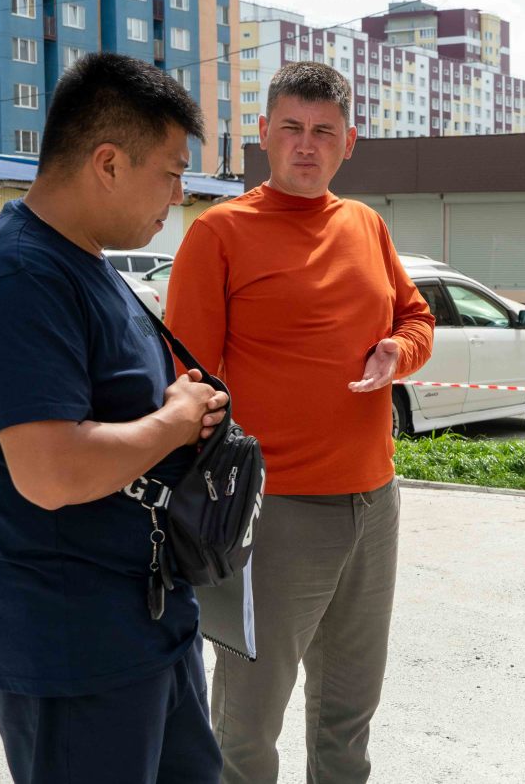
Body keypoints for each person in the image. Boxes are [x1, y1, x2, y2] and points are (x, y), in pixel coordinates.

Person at [0, 53, 228, 784]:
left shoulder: (89, 263)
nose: (180, 193)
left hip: (147, 623)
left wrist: (180, 414)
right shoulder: (17, 276)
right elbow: (50, 470)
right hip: (72, 647)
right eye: (170, 171)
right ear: (108, 162)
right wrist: (175, 418)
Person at [166, 61, 435, 783]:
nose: (306, 145)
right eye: (291, 128)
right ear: (263, 135)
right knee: (247, 730)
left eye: (323, 131)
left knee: (348, 719)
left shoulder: (366, 225)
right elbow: (184, 378)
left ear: (349, 141)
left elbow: (416, 316)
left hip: (373, 504)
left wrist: (396, 351)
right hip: (268, 512)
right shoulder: (219, 232)